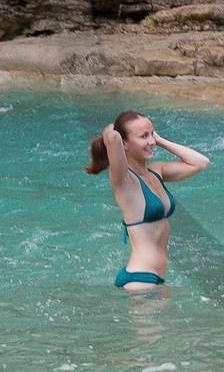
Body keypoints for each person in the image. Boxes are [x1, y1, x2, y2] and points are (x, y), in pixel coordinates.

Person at [85, 112, 211, 290]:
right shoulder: (124, 180)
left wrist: (158, 139)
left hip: (155, 279)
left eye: (151, 134)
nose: (151, 141)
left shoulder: (156, 171)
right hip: (140, 280)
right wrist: (110, 130)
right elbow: (113, 138)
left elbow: (201, 162)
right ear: (125, 144)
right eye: (144, 136)